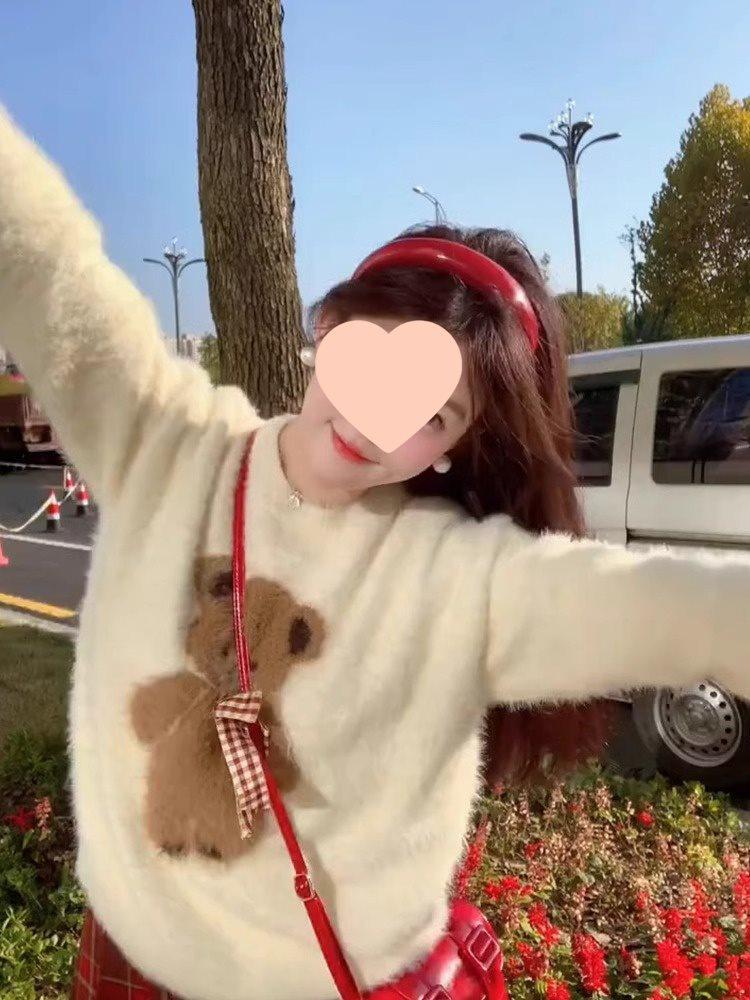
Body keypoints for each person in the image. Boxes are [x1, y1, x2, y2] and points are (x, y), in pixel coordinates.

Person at [0, 100, 748, 1000]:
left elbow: (669, 607)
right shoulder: (168, 443)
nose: (377, 417)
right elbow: (46, 262)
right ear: (327, 328)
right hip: (133, 952)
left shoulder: (454, 576)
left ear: (453, 448)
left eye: (435, 413)